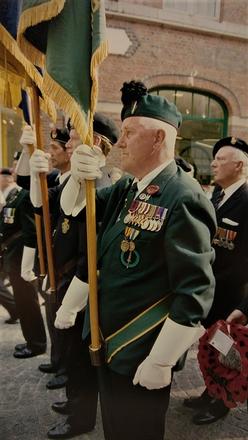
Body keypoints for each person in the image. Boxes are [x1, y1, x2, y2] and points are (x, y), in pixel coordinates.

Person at [61, 80, 216, 440]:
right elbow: (77, 211)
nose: (120, 142)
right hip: (108, 339)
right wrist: (79, 175)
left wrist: (162, 359)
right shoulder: (131, 187)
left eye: (129, 132)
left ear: (158, 139)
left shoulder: (183, 196)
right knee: (116, 429)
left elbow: (195, 290)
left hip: (141, 348)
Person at [29, 113, 119, 439]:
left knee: (81, 357)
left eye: (73, 139)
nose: (67, 144)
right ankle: (74, 401)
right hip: (64, 278)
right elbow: (41, 209)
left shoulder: (102, 184)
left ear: (94, 142)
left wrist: (70, 301)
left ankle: (80, 419)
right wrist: (33, 172)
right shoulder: (71, 180)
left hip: (82, 286)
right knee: (69, 351)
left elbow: (90, 255)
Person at [184, 136, 248, 424]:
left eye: (221, 159)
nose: (213, 162)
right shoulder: (217, 196)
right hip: (210, 296)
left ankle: (223, 400)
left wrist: (246, 307)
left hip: (231, 302)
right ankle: (210, 390)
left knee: (226, 353)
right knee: (209, 348)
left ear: (239, 165)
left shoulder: (247, 200)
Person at [0, 167, 46, 358]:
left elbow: (30, 232)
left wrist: (27, 264)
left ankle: (37, 344)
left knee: (28, 302)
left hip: (22, 259)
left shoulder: (23, 197)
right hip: (13, 257)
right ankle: (31, 340)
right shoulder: (10, 198)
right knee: (22, 302)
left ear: (10, 177)